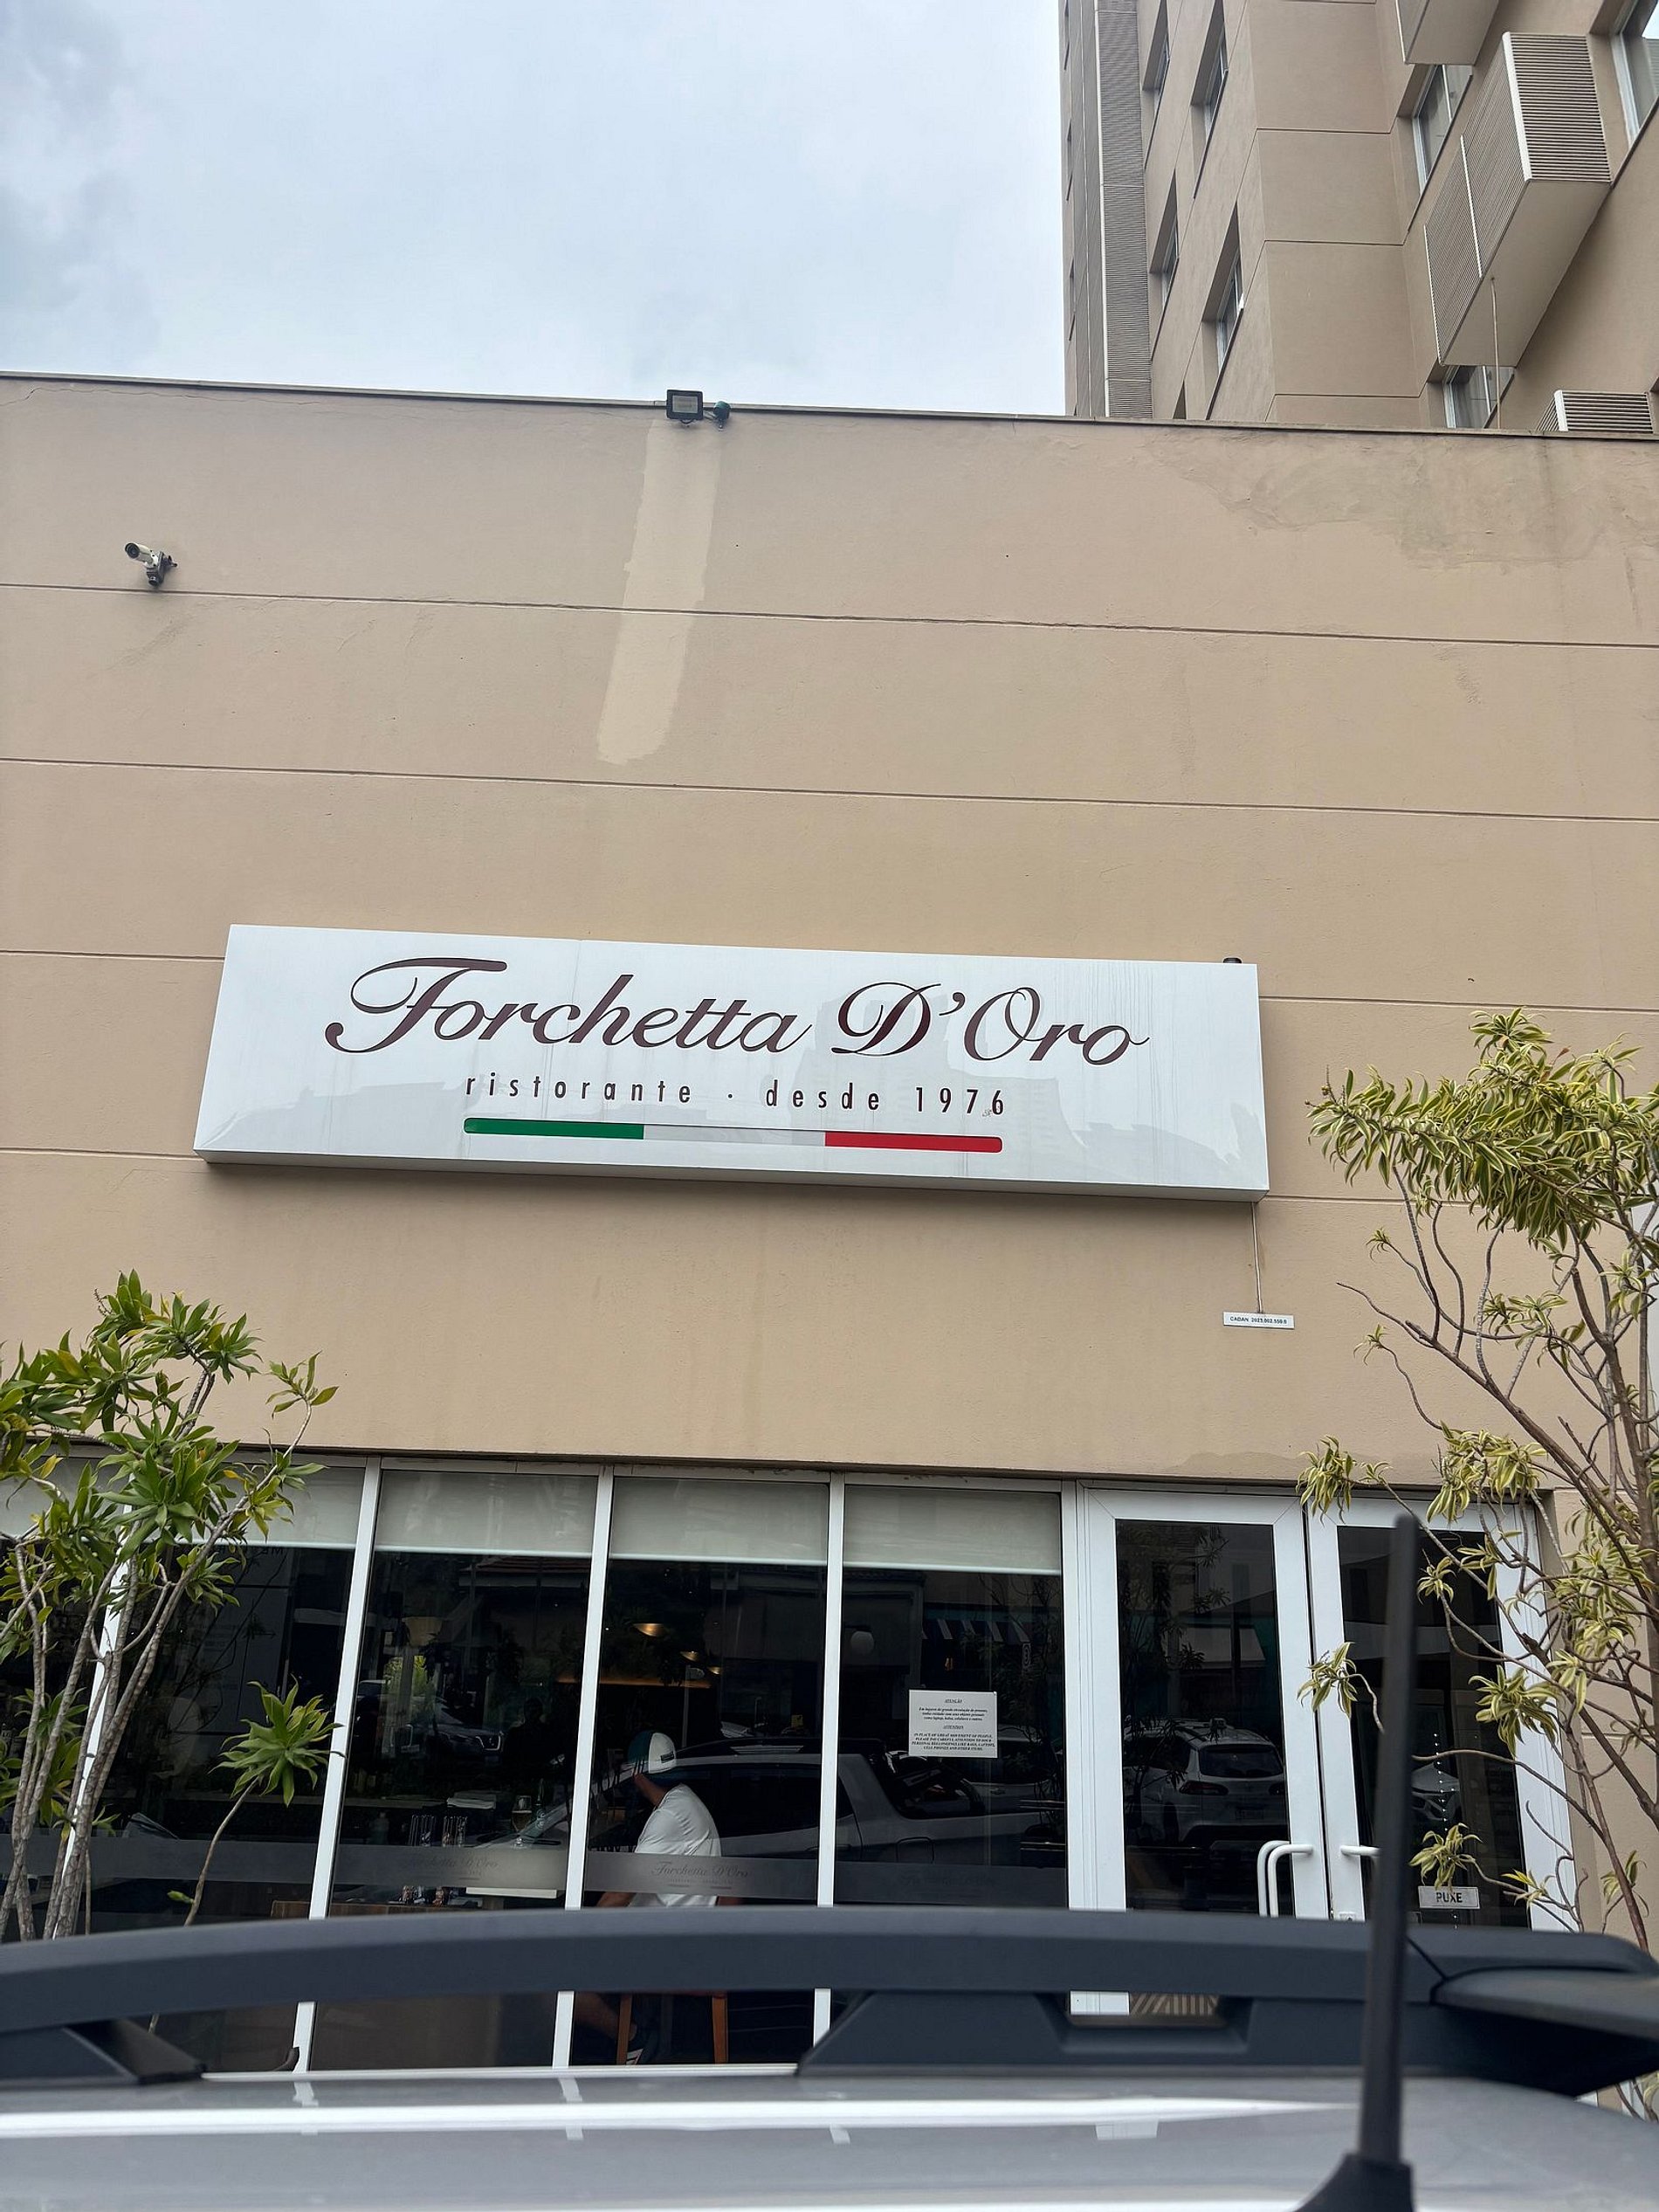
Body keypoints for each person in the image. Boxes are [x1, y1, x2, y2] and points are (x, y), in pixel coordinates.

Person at [576, 1733, 723, 2059]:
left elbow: (621, 1893)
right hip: (680, 1931)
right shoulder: (682, 1801)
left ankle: (632, 2039)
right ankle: (633, 2034)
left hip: (671, 1943)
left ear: (636, 1774)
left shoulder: (669, 1816)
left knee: (564, 1979)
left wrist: (578, 1930)